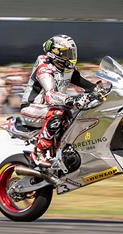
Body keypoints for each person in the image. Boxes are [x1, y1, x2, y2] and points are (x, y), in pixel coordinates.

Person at [20, 35, 96, 168]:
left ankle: (64, 153)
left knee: (77, 114)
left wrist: (101, 91)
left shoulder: (67, 69)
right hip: (32, 108)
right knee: (58, 113)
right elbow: (51, 95)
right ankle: (38, 152)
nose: (70, 56)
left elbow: (87, 85)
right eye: (67, 53)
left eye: (71, 53)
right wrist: (72, 99)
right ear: (55, 52)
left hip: (52, 108)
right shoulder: (44, 68)